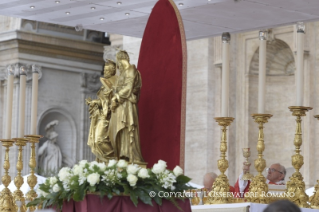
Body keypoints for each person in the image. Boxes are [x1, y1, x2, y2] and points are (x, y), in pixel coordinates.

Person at [108, 50, 145, 163]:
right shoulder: (123, 73)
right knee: (120, 132)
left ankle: (132, 156)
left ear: (120, 60)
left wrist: (116, 97)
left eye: (117, 62)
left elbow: (128, 88)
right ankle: (123, 155)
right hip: (121, 106)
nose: (118, 66)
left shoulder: (131, 69)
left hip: (128, 106)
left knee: (129, 129)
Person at [86, 60, 118, 161]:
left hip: (107, 116)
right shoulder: (104, 86)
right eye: (104, 70)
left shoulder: (114, 85)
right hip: (100, 115)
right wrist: (95, 103)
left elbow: (111, 101)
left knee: (100, 140)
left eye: (107, 70)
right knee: (95, 142)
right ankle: (104, 161)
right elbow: (103, 100)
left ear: (112, 71)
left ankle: (113, 159)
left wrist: (98, 102)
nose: (104, 72)